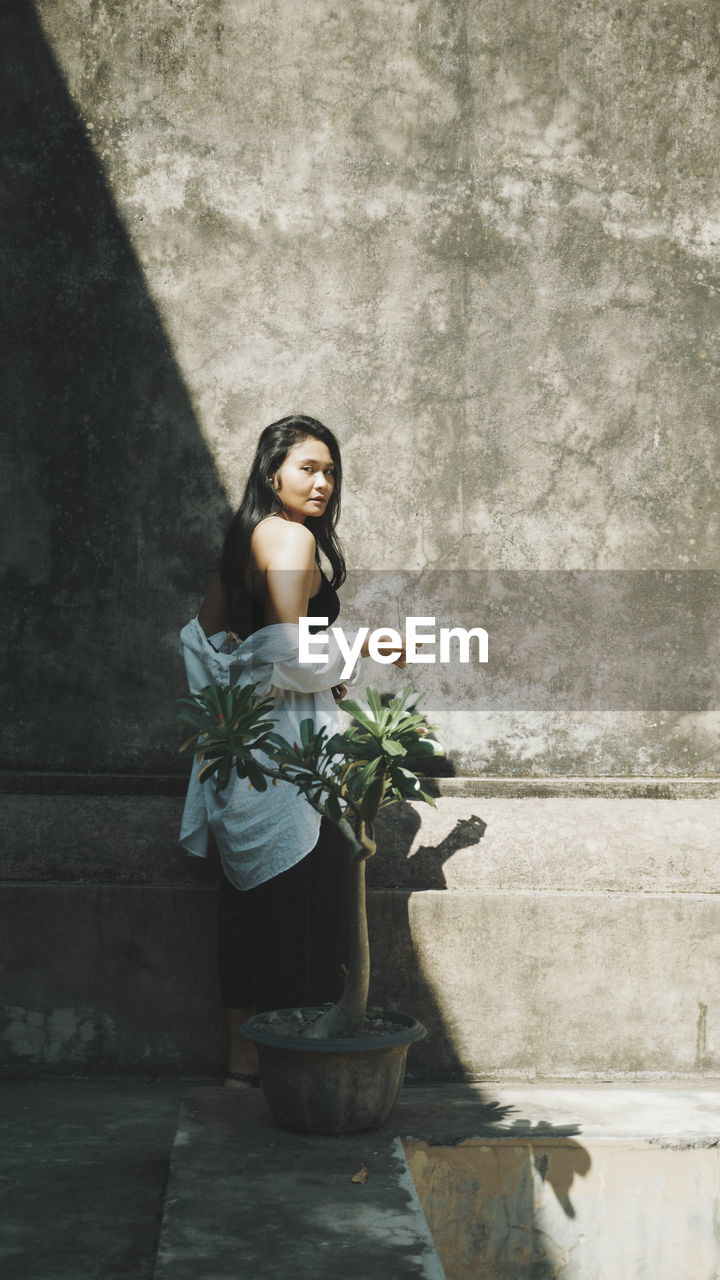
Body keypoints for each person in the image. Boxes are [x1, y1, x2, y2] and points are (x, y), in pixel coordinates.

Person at [178, 414, 399, 1087]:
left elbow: (197, 641)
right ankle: (293, 1065)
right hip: (291, 757)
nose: (323, 481)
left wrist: (234, 706)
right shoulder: (292, 538)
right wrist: (359, 648)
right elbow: (290, 650)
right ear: (271, 470)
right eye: (308, 467)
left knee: (249, 906)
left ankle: (244, 1057)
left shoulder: (243, 542)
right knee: (298, 907)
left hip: (238, 754)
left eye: (330, 470)